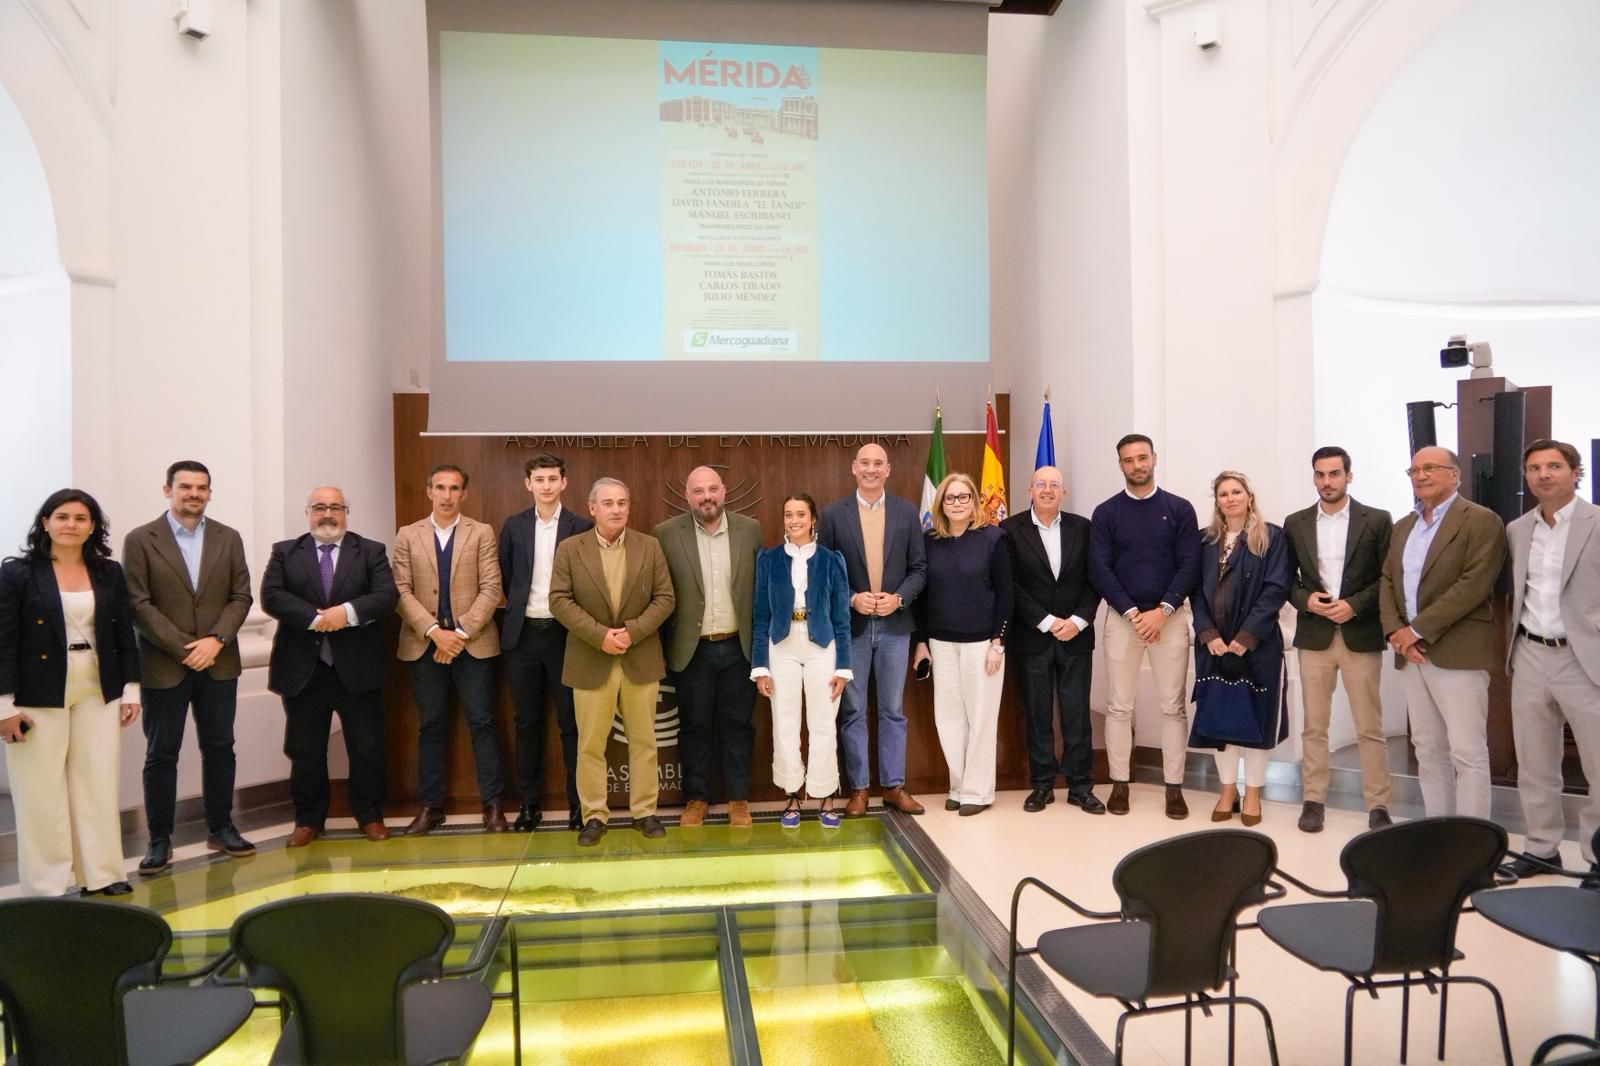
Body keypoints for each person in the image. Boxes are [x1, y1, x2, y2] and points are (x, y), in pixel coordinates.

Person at [0, 490, 141, 896]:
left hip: (99, 686)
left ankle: (104, 874)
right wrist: (4, 706)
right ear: (45, 522)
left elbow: (123, 633)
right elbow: (4, 641)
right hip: (36, 690)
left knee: (98, 781)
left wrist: (130, 690)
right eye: (62, 516)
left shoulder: (109, 572)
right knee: (40, 791)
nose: (71, 524)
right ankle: (47, 885)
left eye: (81, 518)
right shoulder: (18, 573)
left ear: (93, 526)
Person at [124, 461, 255, 876]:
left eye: (201, 488)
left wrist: (216, 640)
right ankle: (159, 839)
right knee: (161, 755)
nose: (193, 494)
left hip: (219, 662)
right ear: (168, 490)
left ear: (210, 493)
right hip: (165, 665)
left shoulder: (228, 537)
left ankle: (222, 826)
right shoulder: (140, 540)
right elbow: (138, 604)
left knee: (220, 748)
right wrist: (186, 648)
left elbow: (241, 596)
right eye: (185, 487)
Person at [260, 486, 399, 846]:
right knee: (305, 749)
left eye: (335, 507)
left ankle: (369, 814)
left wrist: (346, 613)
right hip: (304, 669)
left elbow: (386, 596)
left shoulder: (370, 551)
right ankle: (308, 819)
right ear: (308, 512)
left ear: (346, 512)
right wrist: (315, 618)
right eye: (320, 507)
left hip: (358, 667)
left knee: (367, 747)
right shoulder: (285, 552)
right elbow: (272, 596)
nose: (328, 514)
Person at [1378, 446, 1507, 819]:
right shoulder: (1404, 526)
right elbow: (1388, 580)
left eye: (1430, 468)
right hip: (1411, 654)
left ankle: (1473, 839)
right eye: (1414, 470)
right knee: (1427, 747)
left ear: (1455, 474)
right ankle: (1439, 830)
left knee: (1467, 751)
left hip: (1457, 651)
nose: (1420, 475)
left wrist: (1416, 631)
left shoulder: (1481, 520)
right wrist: (1395, 633)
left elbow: (1474, 584)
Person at [549, 477, 675, 846]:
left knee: (644, 741)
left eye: (622, 502)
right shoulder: (571, 549)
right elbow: (559, 600)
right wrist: (600, 635)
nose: (617, 509)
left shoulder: (649, 547)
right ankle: (595, 816)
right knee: (589, 744)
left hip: (640, 656)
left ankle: (645, 812)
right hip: (590, 658)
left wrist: (631, 632)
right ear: (592, 508)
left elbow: (665, 598)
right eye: (608, 503)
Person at [1088, 434, 1202, 818]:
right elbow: (1099, 568)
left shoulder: (1180, 509)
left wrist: (1163, 610)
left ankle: (1174, 788)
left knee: (1173, 706)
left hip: (1168, 619)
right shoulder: (1106, 513)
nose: (1137, 465)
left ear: (1154, 458)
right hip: (1123, 620)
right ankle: (1119, 785)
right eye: (1128, 460)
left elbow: (1189, 564)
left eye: (1142, 458)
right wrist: (1132, 613)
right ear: (1119, 465)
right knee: (1119, 707)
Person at [1283, 447, 1394, 832]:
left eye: (1334, 474)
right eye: (1320, 474)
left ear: (1349, 475)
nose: (1327, 482)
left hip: (1359, 633)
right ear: (1313, 477)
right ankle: (1313, 800)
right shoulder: (1295, 522)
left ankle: (1378, 805)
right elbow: (1288, 581)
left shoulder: (1377, 520)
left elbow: (1387, 578)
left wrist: (1355, 606)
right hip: (1314, 637)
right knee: (1314, 726)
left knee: (1369, 727)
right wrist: (1306, 600)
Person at [1502, 440, 1600, 879]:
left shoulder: (1597, 523)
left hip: (1585, 659)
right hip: (1530, 654)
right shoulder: (1518, 529)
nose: (1543, 474)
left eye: (1554, 466)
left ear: (1575, 472)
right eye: (1534, 468)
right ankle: (1542, 848)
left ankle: (1598, 857)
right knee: (1535, 763)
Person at [391, 464, 506, 835]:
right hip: (424, 647)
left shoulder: (481, 533)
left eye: (454, 488)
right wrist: (433, 632)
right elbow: (400, 591)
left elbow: (492, 588)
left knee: (483, 723)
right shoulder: (408, 535)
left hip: (473, 646)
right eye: (440, 487)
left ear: (464, 494)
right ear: (429, 492)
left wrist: (457, 634)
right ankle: (431, 807)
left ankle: (492, 807)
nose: (447, 495)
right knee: (432, 726)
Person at [819, 443, 928, 816]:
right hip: (853, 629)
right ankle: (860, 790)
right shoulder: (834, 515)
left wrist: (899, 598)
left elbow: (919, 570)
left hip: (896, 627)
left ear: (888, 469)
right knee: (852, 711)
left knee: (893, 710)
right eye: (864, 463)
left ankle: (895, 787)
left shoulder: (906, 512)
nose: (870, 469)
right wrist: (851, 599)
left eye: (877, 463)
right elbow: (824, 573)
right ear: (854, 468)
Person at [655, 466, 762, 827]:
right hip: (692, 649)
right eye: (698, 491)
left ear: (724, 491)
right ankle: (695, 799)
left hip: (739, 647)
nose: (707, 497)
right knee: (694, 727)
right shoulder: (666, 534)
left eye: (712, 489)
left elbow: (759, 591)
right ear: (688, 497)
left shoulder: (751, 530)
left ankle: (738, 799)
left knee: (738, 725)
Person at [1189, 471, 1291, 826]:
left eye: (1236, 492)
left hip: (1257, 645)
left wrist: (1246, 637)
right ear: (1216, 501)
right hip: (1214, 646)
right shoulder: (1204, 541)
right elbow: (1196, 593)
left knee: (1256, 720)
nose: (1230, 498)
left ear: (1249, 496)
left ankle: (1253, 794)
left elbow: (1276, 589)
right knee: (1220, 717)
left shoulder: (1272, 537)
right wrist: (1208, 633)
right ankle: (1228, 789)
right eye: (1222, 494)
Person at [1001, 466, 1105, 815]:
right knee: (1038, 713)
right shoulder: (1009, 530)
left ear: (1064, 492)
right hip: (1033, 636)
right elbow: (1010, 585)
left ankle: (1080, 787)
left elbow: (1096, 579)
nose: (1047, 490)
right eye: (1041, 484)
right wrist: (1046, 621)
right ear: (1029, 490)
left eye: (1054, 485)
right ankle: (1042, 785)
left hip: (1076, 636)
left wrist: (1077, 620)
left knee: (1077, 715)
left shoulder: (1083, 528)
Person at [498, 453, 592, 832]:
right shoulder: (513, 526)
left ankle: (577, 806)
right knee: (527, 724)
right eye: (539, 479)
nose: (547, 486)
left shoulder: (581, 526)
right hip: (523, 636)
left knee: (572, 724)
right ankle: (529, 805)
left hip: (565, 636)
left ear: (564, 482)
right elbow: (509, 579)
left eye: (553, 478)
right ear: (528, 484)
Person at [912, 472, 1013, 816]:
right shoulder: (930, 541)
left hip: (982, 643)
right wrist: (921, 641)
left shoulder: (994, 538)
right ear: (940, 503)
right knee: (948, 718)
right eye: (950, 498)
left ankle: (978, 792)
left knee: (982, 718)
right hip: (941, 643)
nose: (957, 504)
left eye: (963, 497)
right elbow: (922, 598)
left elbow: (1006, 594)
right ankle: (958, 785)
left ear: (974, 502)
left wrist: (999, 641)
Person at [750, 493, 852, 828]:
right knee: (785, 722)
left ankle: (824, 795)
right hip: (782, 646)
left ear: (813, 519)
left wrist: (843, 667)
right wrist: (760, 666)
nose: (794, 521)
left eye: (800, 515)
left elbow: (842, 617)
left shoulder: (831, 560)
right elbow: (760, 616)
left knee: (823, 723)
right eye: (788, 514)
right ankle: (793, 794)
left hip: (821, 645)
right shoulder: (768, 560)